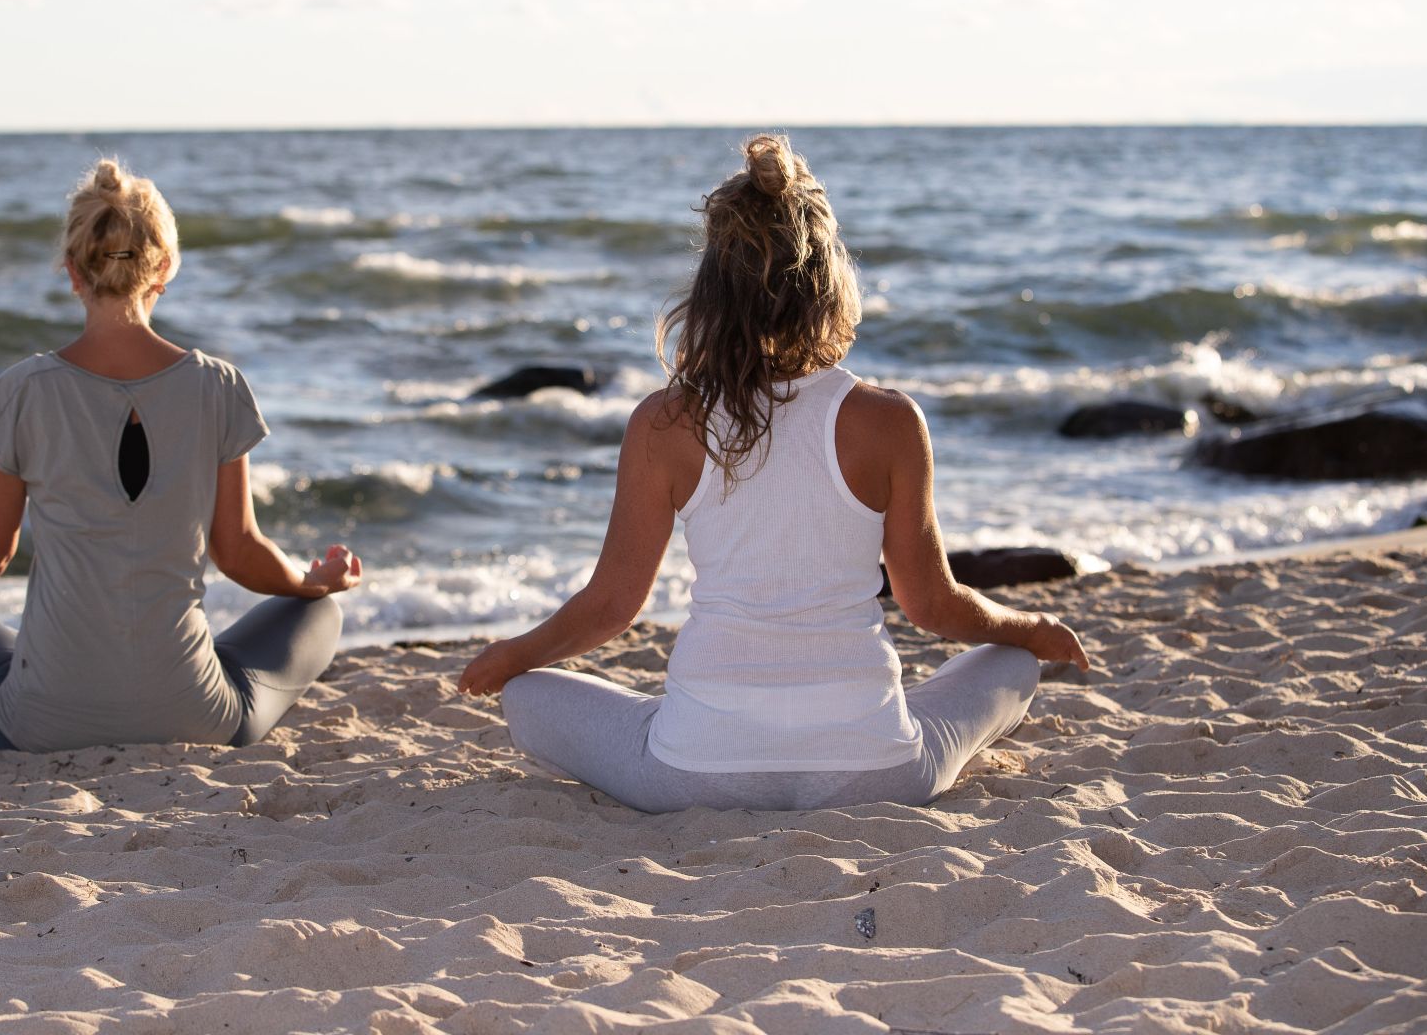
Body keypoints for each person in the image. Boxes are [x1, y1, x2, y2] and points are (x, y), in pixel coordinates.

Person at [458, 134, 1089, 813]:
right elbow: (931, 604)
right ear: (828, 283)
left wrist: (512, 656)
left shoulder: (665, 423)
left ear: (710, 293)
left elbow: (612, 607)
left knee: (526, 697)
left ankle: (693, 720)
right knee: (1013, 665)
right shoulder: (890, 420)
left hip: (694, 775)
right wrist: (1028, 629)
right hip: (875, 771)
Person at [0, 158, 361, 754]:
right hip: (195, 715)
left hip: (38, 725)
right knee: (322, 615)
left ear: (71, 272)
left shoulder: (25, 390)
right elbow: (238, 551)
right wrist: (312, 581)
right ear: (164, 269)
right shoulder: (217, 386)